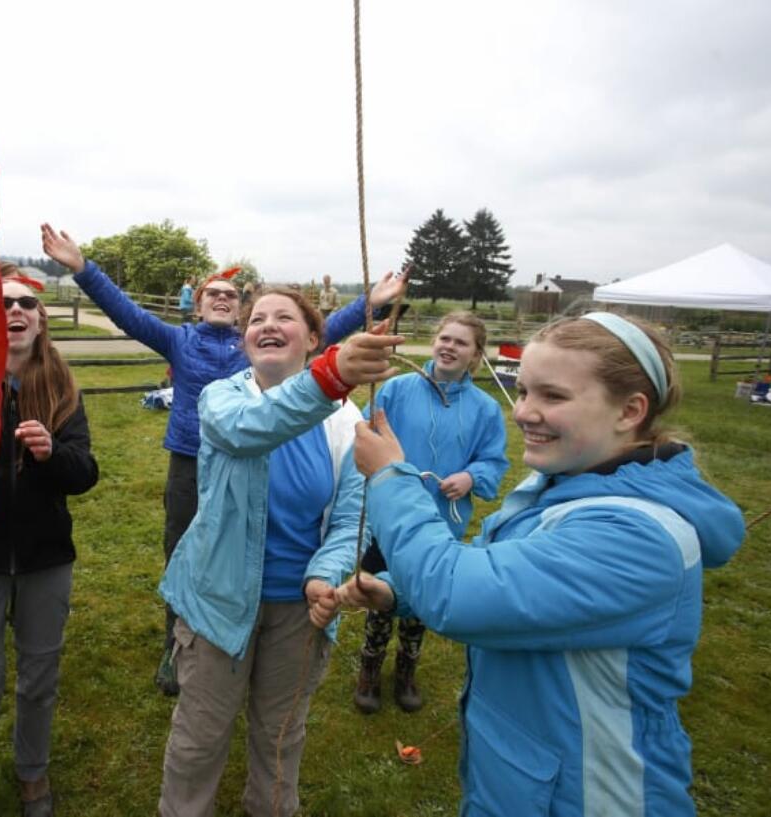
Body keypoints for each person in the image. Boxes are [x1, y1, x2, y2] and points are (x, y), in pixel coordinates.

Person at [337, 312, 744, 816]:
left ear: (629, 410)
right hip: (527, 783)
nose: (524, 412)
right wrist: (399, 593)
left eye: (553, 396)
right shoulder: (566, 487)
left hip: (589, 796)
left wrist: (389, 480)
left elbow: (457, 595)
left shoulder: (636, 535)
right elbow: (499, 575)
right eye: (524, 391)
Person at [40, 222, 405, 697]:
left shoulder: (253, 349)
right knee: (184, 548)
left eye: (231, 295)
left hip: (247, 465)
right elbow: (126, 314)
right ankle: (179, 640)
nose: (221, 297)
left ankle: (247, 626)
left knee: (239, 546)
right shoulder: (179, 341)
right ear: (197, 304)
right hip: (190, 463)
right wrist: (84, 270)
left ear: (238, 313)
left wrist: (370, 303)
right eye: (212, 292)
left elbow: (323, 331)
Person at [157, 287, 402, 817]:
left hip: (299, 609)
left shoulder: (343, 421)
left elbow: (351, 520)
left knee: (280, 735)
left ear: (312, 338)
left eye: (283, 317)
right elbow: (253, 431)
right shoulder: (221, 399)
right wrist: (329, 378)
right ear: (245, 340)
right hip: (217, 601)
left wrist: (325, 573)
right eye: (257, 319)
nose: (266, 325)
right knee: (200, 738)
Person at [0, 276, 99, 817]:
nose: (14, 308)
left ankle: (32, 775)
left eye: (25, 302)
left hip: (45, 558)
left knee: (39, 681)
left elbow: (84, 474)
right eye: (2, 301)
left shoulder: (61, 387)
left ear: (40, 318)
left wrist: (50, 452)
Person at [354, 311, 509, 714]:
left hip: (441, 520)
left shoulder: (486, 410)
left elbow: (493, 461)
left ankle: (406, 668)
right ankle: (370, 666)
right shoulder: (397, 390)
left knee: (422, 595)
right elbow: (367, 438)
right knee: (380, 592)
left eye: (461, 342)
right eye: (445, 338)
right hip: (389, 518)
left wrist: (471, 477)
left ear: (476, 355)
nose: (449, 346)